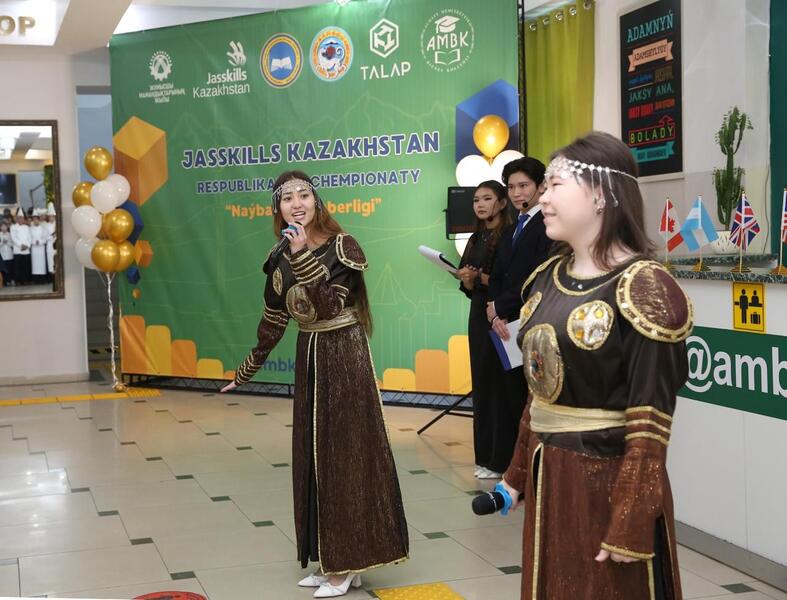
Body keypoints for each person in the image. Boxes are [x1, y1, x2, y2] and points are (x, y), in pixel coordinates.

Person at [499, 131, 692, 599]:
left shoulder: (645, 287)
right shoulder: (546, 278)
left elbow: (650, 422)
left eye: (556, 184)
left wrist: (632, 517)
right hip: (550, 477)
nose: (542, 197)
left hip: (606, 484)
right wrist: (516, 474)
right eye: (544, 185)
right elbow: (539, 394)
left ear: (602, 194)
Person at [221, 171, 408, 598]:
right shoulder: (278, 257)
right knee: (314, 457)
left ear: (316, 202)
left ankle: (347, 563)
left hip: (343, 355)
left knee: (344, 458)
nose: (297, 203)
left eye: (304, 195)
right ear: (278, 209)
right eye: (287, 198)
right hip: (310, 354)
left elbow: (328, 305)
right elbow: (273, 321)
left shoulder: (343, 247)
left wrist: (303, 253)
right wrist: (244, 372)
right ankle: (333, 559)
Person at [485, 157, 552, 477]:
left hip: (531, 321)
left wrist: (502, 306)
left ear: (541, 186)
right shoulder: (512, 228)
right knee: (509, 398)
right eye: (511, 187)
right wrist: (493, 310)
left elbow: (537, 276)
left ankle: (533, 471)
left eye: (523, 185)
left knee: (531, 400)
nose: (516, 193)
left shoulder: (548, 226)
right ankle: (513, 468)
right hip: (504, 326)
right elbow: (498, 274)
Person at [455, 180, 514, 479]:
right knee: (481, 383)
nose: (480, 204)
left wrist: (479, 278)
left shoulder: (510, 235)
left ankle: (502, 460)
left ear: (502, 202)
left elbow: (509, 281)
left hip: (503, 314)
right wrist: (468, 280)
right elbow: (469, 286)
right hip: (478, 314)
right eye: (476, 199)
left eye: (487, 198)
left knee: (501, 387)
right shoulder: (476, 237)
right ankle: (485, 457)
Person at [10, 209, 31, 286]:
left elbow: (29, 238)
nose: (20, 219)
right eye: (18, 218)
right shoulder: (13, 227)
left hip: (26, 250)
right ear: (16, 218)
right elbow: (13, 238)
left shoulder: (27, 227)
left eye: (21, 218)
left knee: (25, 266)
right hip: (17, 250)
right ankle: (17, 281)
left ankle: (24, 280)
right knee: (17, 267)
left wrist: (27, 245)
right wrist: (21, 245)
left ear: (23, 219)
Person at [29, 214, 47, 284]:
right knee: (35, 264)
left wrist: (39, 241)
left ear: (39, 220)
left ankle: (42, 279)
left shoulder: (43, 228)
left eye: (36, 220)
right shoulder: (31, 229)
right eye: (34, 220)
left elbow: (45, 238)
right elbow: (29, 238)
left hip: (41, 248)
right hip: (34, 248)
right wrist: (34, 242)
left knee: (41, 264)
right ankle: (36, 280)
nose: (35, 221)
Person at [0, 222, 14, 286]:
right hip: (2, 255)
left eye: (5, 226)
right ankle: (4, 282)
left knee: (10, 268)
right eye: (2, 226)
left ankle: (9, 280)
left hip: (9, 254)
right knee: (3, 269)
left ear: (7, 227)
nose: (4, 228)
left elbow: (12, 245)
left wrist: (7, 242)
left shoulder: (10, 234)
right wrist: (2, 242)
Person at [45, 208, 57, 280]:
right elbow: (45, 237)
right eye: (50, 216)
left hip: (56, 244)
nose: (51, 218)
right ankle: (51, 276)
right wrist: (52, 236)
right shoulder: (46, 225)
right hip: (49, 244)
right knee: (50, 260)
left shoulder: (57, 224)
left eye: (52, 216)